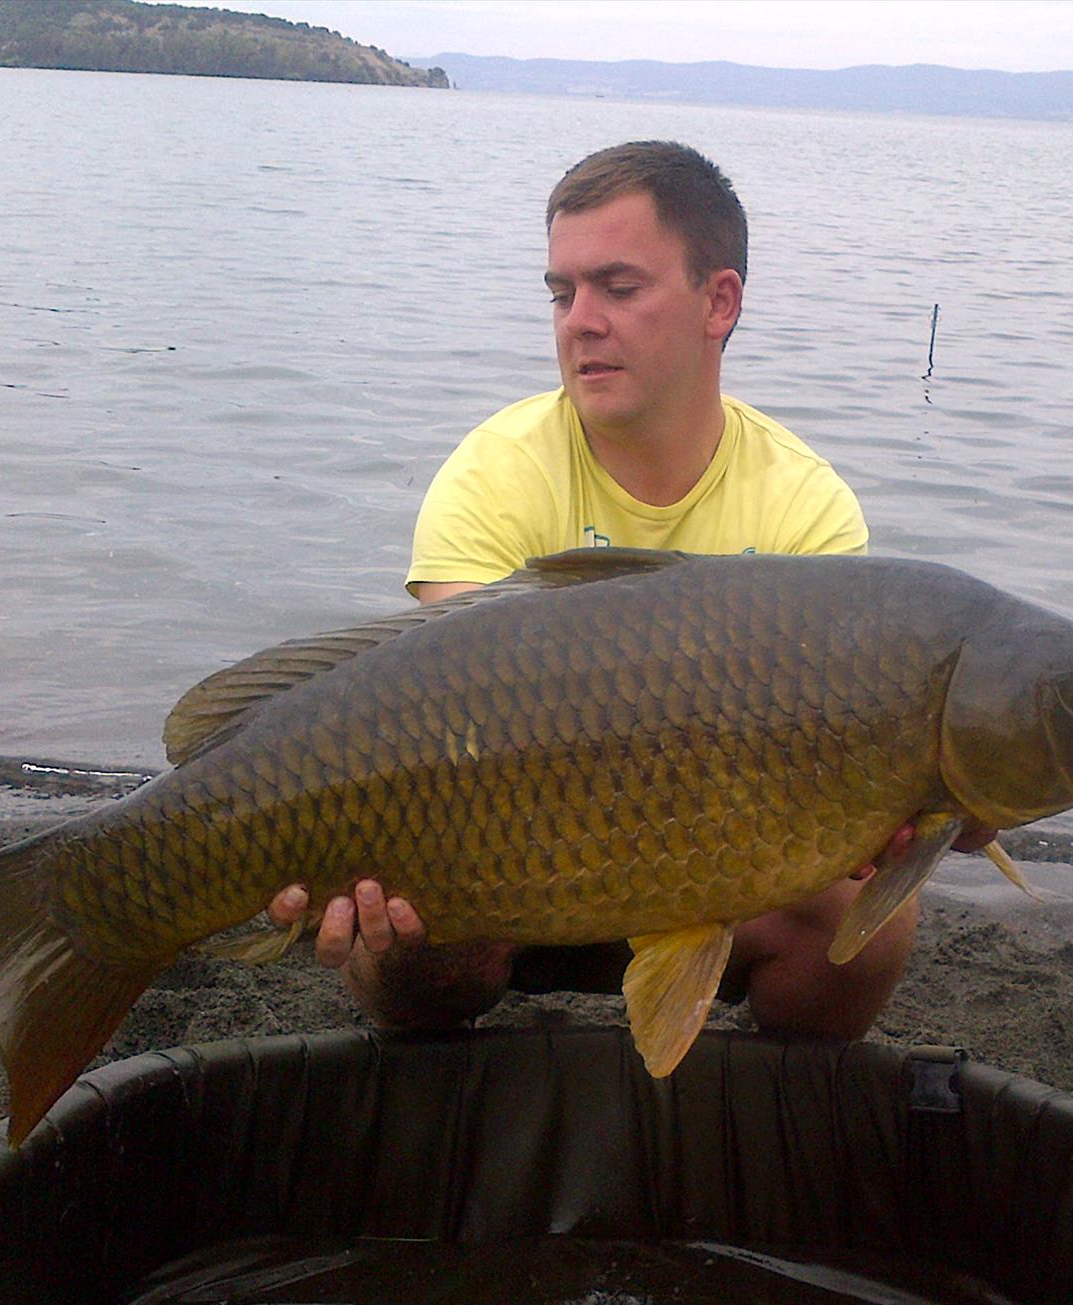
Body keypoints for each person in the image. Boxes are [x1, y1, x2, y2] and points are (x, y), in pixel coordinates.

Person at [268, 140, 992, 1040]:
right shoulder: (494, 471)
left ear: (718, 302)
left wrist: (896, 814)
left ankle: (766, 1087)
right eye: (561, 293)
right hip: (504, 878)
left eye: (617, 287)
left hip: (715, 881)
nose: (580, 321)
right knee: (401, 921)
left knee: (873, 920)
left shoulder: (806, 506)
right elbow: (447, 712)